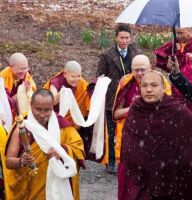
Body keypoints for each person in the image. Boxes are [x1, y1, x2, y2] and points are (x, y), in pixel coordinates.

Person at [120, 71, 192, 200]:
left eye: (154, 85)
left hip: (172, 176)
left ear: (163, 88)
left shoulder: (174, 109)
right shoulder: (136, 109)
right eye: (144, 85)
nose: (149, 90)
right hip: (145, 178)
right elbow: (129, 143)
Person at [5, 89, 85, 200]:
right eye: (38, 109)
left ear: (53, 106)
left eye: (47, 110)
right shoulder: (22, 126)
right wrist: (21, 161)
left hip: (58, 188)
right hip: (30, 189)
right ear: (31, 105)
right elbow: (8, 162)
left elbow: (79, 150)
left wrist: (63, 151)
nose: (42, 115)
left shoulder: (62, 125)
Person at [113, 55, 171, 200]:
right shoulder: (125, 82)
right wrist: (133, 107)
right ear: (131, 70)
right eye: (136, 70)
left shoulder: (161, 83)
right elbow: (115, 114)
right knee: (128, 189)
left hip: (152, 144)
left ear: (150, 68)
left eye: (143, 70)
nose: (139, 74)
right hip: (129, 143)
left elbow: (168, 114)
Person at [44, 61, 108, 164]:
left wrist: (98, 86)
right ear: (65, 74)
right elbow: (50, 101)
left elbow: (90, 93)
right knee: (55, 152)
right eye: (73, 77)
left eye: (79, 76)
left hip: (73, 125)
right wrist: (63, 93)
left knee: (72, 150)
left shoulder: (80, 82)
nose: (76, 79)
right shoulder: (55, 82)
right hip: (56, 123)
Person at [96, 23, 139, 174]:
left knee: (129, 130)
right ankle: (111, 161)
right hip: (112, 99)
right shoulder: (106, 55)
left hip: (130, 97)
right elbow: (99, 77)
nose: (124, 40)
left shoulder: (135, 53)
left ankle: (127, 160)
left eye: (127, 37)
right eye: (122, 37)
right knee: (111, 132)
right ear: (116, 38)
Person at [155, 27, 192, 114]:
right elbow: (162, 54)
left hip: (191, 85)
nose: (179, 36)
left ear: (189, 31)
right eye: (178, 33)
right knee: (177, 109)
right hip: (177, 82)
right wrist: (169, 61)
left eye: (181, 33)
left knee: (190, 111)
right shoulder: (175, 43)